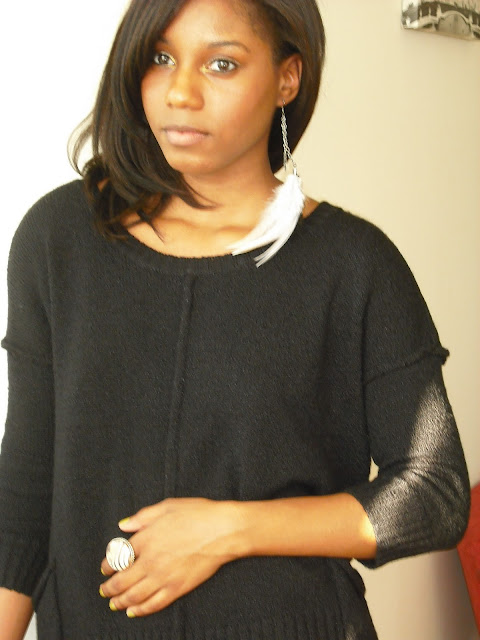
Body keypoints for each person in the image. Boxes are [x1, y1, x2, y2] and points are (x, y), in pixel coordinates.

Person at [0, 0, 470, 638]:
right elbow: (25, 497)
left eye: (221, 63)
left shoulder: (354, 265)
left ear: (287, 77)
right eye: (160, 57)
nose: (180, 92)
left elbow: (434, 494)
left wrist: (227, 530)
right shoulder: (59, 239)